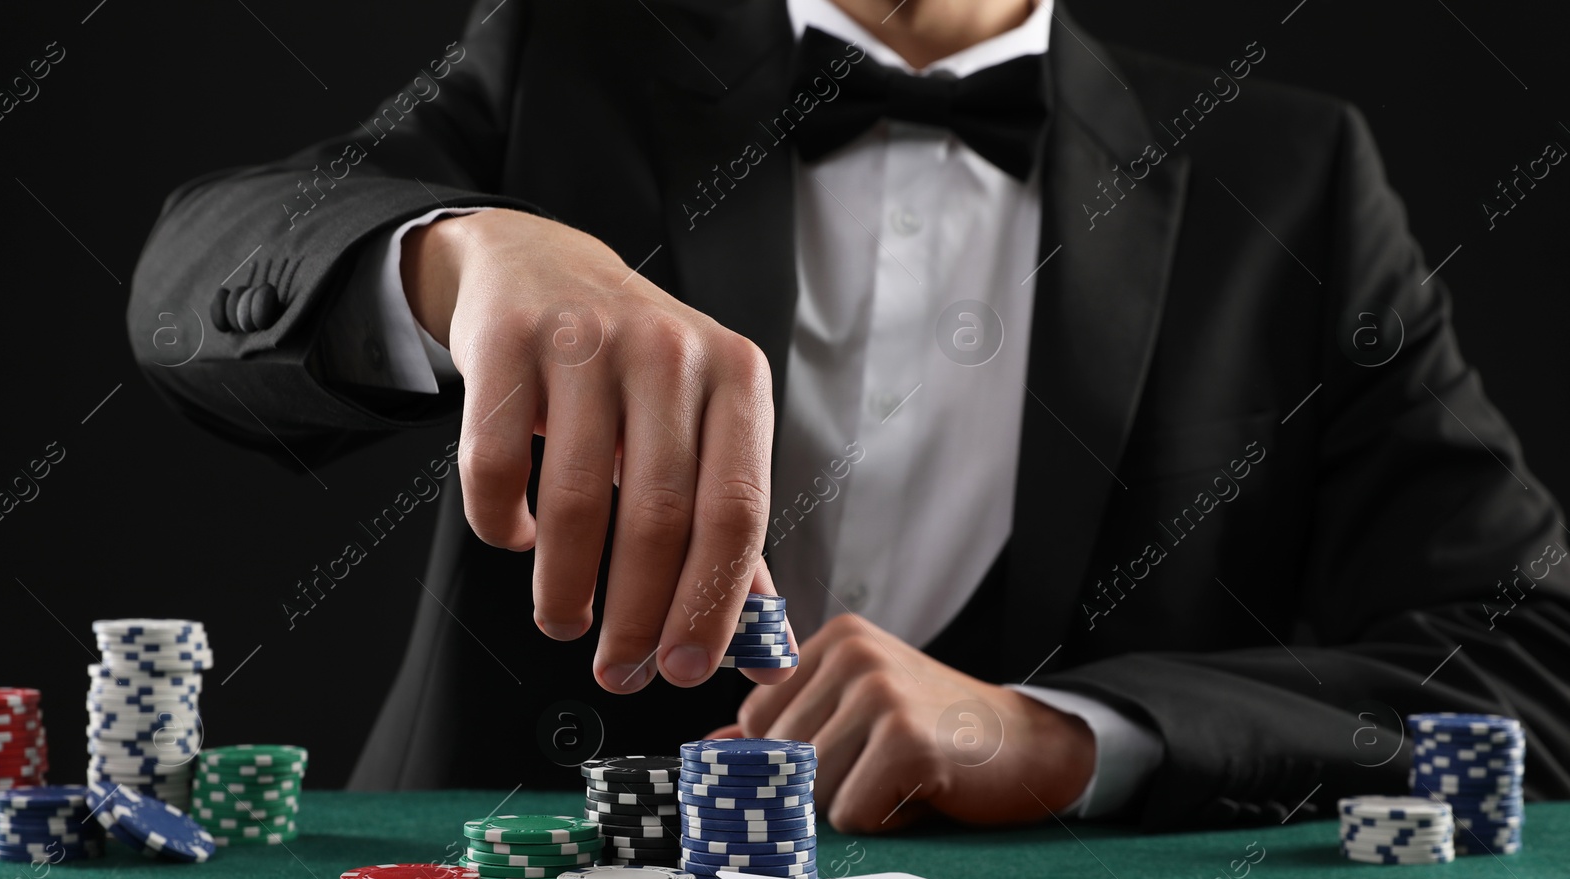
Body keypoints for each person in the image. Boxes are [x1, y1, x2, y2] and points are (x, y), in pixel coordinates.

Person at [126, 0, 1570, 834]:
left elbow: (1531, 662)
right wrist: (458, 249)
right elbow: (194, 287)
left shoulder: (1291, 171)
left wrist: (1070, 738)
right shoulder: (569, 55)